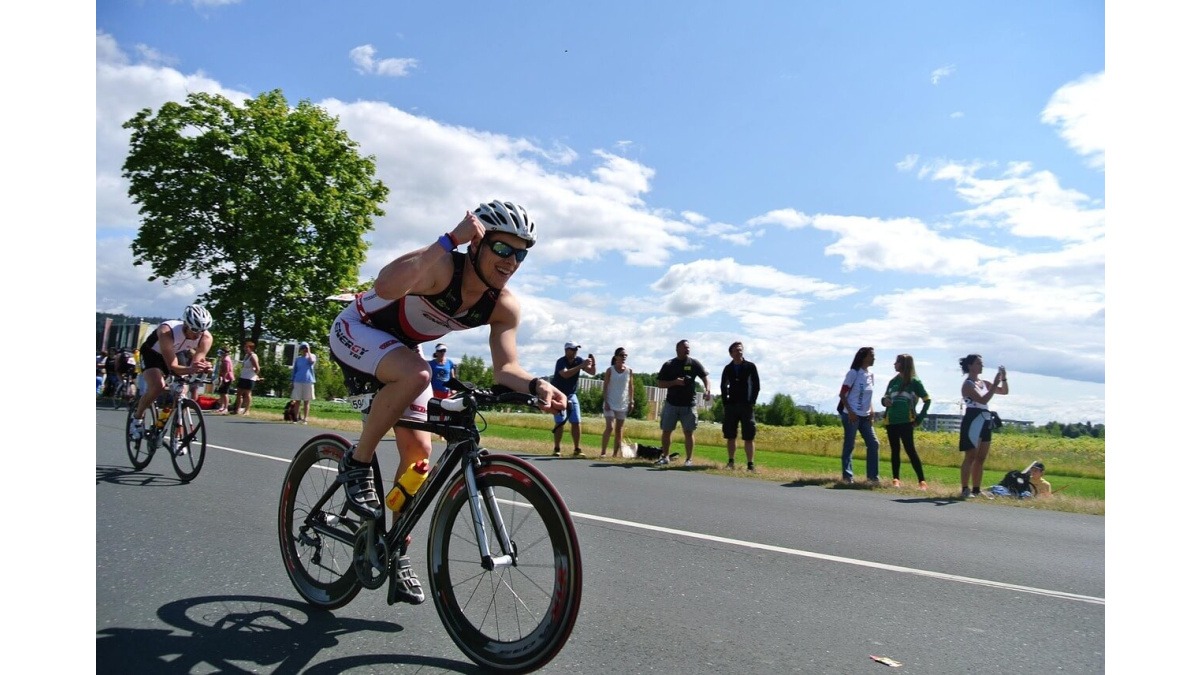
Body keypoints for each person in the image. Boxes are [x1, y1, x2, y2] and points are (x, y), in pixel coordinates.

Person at [328, 199, 568, 606]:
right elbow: (385, 286)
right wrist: (448, 240)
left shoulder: (503, 305)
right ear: (477, 243)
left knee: (419, 456)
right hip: (357, 329)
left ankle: (396, 551)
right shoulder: (442, 266)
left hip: (400, 351)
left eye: (521, 253)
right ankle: (357, 463)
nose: (512, 261)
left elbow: (506, 368)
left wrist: (537, 386)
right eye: (503, 249)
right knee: (418, 374)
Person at [128, 305, 214, 441]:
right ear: (185, 324)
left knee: (182, 391)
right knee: (157, 386)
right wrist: (192, 369)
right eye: (195, 330)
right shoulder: (167, 331)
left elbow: (195, 364)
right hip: (153, 354)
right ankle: (137, 419)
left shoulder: (206, 338)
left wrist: (203, 367)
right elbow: (173, 366)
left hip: (177, 353)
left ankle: (177, 435)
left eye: (202, 331)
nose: (197, 335)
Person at [958, 353, 1009, 498]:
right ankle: (965, 488)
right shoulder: (968, 384)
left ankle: (976, 489)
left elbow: (1004, 391)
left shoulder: (983, 383)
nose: (982, 366)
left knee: (981, 457)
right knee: (971, 456)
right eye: (978, 363)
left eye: (981, 363)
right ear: (970, 366)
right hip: (973, 418)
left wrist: (1003, 378)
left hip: (985, 419)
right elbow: (983, 399)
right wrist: (994, 384)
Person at [655, 339, 711, 467]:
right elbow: (660, 383)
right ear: (677, 349)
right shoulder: (669, 364)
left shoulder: (694, 363)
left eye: (688, 348)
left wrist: (707, 389)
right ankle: (665, 457)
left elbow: (705, 377)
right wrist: (675, 382)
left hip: (689, 404)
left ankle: (689, 460)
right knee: (667, 430)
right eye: (685, 347)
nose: (688, 349)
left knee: (689, 432)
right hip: (671, 403)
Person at [881, 353, 932, 489]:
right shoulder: (892, 381)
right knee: (895, 450)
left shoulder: (914, 382)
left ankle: (922, 481)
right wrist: (884, 401)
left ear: (903, 364)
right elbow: (885, 397)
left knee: (910, 450)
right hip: (891, 421)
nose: (894, 364)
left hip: (906, 421)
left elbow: (927, 400)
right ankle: (896, 479)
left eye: (897, 362)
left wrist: (920, 418)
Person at [838, 346, 880, 485]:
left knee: (873, 444)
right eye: (871, 355)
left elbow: (868, 395)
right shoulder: (854, 373)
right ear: (864, 357)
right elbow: (842, 394)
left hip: (865, 416)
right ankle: (847, 476)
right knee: (849, 445)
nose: (874, 358)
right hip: (852, 415)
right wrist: (850, 412)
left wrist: (872, 410)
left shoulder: (870, 375)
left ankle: (872, 478)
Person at [720, 341, 760, 472]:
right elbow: (723, 386)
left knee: (749, 436)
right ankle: (731, 462)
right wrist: (725, 402)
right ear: (731, 353)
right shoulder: (728, 368)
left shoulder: (750, 367)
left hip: (746, 406)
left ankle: (750, 465)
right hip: (731, 405)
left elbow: (756, 386)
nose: (739, 352)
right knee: (730, 435)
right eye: (736, 350)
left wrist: (752, 401)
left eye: (741, 349)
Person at [551, 342, 596, 456]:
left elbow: (592, 372)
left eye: (576, 349)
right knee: (560, 422)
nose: (575, 351)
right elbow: (565, 374)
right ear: (566, 350)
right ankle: (557, 448)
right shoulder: (561, 361)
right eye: (573, 349)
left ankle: (577, 448)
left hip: (571, 394)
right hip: (558, 394)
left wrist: (593, 363)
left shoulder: (579, 360)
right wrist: (581, 366)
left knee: (576, 421)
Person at [599, 347, 635, 457]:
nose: (624, 357)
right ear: (616, 357)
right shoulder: (610, 370)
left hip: (622, 403)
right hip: (610, 402)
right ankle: (603, 452)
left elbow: (630, 386)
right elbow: (605, 386)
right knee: (610, 427)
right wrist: (606, 401)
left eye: (625, 355)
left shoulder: (629, 371)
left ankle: (615, 453)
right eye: (621, 355)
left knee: (619, 430)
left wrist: (631, 401)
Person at [289, 342, 317, 424]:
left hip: (308, 381)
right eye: (303, 348)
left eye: (305, 348)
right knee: (297, 400)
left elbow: (312, 361)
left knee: (306, 401)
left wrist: (308, 351)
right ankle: (295, 418)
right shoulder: (298, 359)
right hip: (298, 380)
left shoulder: (312, 357)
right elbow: (294, 371)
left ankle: (305, 418)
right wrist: (292, 380)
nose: (304, 350)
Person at [232, 340, 260, 415]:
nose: (245, 349)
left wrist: (255, 375)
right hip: (243, 376)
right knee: (239, 393)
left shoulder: (253, 356)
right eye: (245, 347)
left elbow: (257, 368)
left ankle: (247, 410)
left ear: (251, 348)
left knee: (247, 394)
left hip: (250, 378)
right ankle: (237, 409)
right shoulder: (246, 356)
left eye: (247, 347)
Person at [213, 348, 234, 413]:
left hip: (227, 378)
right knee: (221, 393)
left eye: (222, 352)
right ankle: (221, 407)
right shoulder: (223, 359)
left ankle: (225, 408)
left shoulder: (226, 360)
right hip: (222, 377)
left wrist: (223, 379)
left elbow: (226, 371)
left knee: (225, 393)